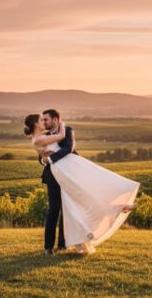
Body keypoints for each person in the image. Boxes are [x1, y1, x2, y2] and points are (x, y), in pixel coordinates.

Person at [23, 109, 139, 255]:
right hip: (54, 175)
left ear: (55, 119)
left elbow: (68, 148)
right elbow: (41, 155)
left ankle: (64, 243)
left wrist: (50, 158)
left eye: (46, 119)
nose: (44, 122)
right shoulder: (43, 136)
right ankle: (48, 247)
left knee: (79, 201)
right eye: (42, 120)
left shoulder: (67, 130)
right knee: (54, 210)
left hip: (70, 171)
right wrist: (44, 160)